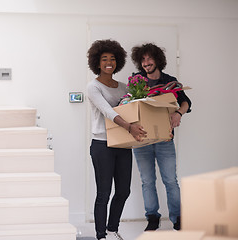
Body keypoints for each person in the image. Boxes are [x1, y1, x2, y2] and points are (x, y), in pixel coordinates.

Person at [87, 39, 147, 240]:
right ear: (97, 62)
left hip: (122, 144)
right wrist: (130, 127)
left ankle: (112, 228)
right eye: (104, 59)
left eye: (112, 58)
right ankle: (101, 235)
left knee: (123, 190)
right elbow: (108, 111)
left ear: (118, 61)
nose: (108, 62)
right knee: (103, 193)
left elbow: (132, 109)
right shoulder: (93, 87)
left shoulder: (123, 87)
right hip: (102, 145)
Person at [130, 43, 192, 231]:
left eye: (149, 58)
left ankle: (178, 218)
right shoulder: (136, 81)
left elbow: (186, 102)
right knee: (147, 181)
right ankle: (152, 218)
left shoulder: (169, 81)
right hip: (142, 141)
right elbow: (127, 105)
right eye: (143, 60)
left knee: (170, 181)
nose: (146, 62)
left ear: (157, 59)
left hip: (165, 140)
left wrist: (178, 114)